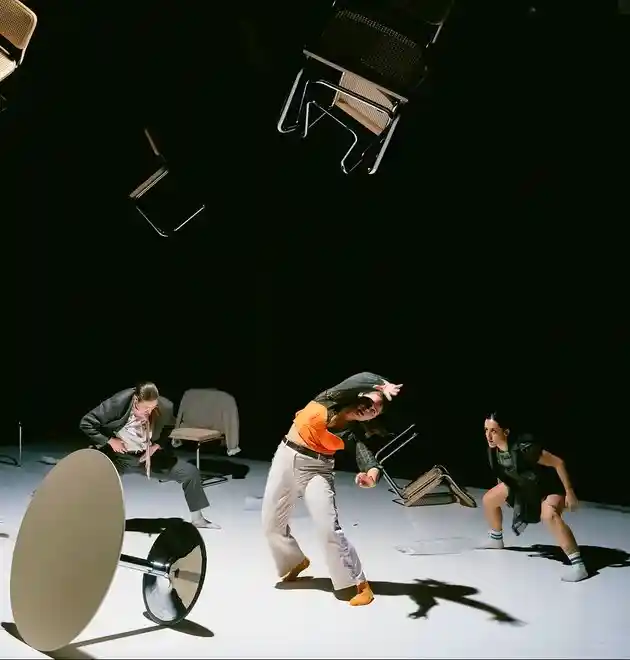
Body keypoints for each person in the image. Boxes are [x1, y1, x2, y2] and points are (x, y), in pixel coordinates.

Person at [261, 371, 402, 606]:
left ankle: (359, 584)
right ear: (358, 396)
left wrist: (371, 477)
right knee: (270, 524)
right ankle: (294, 561)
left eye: (374, 411)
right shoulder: (329, 399)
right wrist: (382, 384)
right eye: (368, 402)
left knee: (328, 528)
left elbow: (369, 461)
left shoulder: (352, 432)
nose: (367, 409)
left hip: (317, 469)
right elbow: (359, 378)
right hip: (285, 458)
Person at [79, 381, 220, 529]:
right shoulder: (119, 402)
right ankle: (86, 519)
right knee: (94, 481)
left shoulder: (165, 406)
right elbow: (87, 423)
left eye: (153, 408)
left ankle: (198, 519)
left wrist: (156, 446)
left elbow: (171, 425)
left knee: (190, 472)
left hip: (146, 457)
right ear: (136, 400)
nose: (149, 412)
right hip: (119, 456)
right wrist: (111, 441)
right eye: (146, 408)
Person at [478, 410, 586, 582]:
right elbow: (504, 473)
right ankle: (496, 539)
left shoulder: (525, 449)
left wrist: (570, 492)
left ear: (506, 432)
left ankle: (578, 565)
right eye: (486, 430)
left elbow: (558, 463)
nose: (488, 436)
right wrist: (508, 494)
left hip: (548, 487)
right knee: (489, 499)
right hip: (524, 486)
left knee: (548, 515)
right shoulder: (493, 450)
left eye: (493, 431)